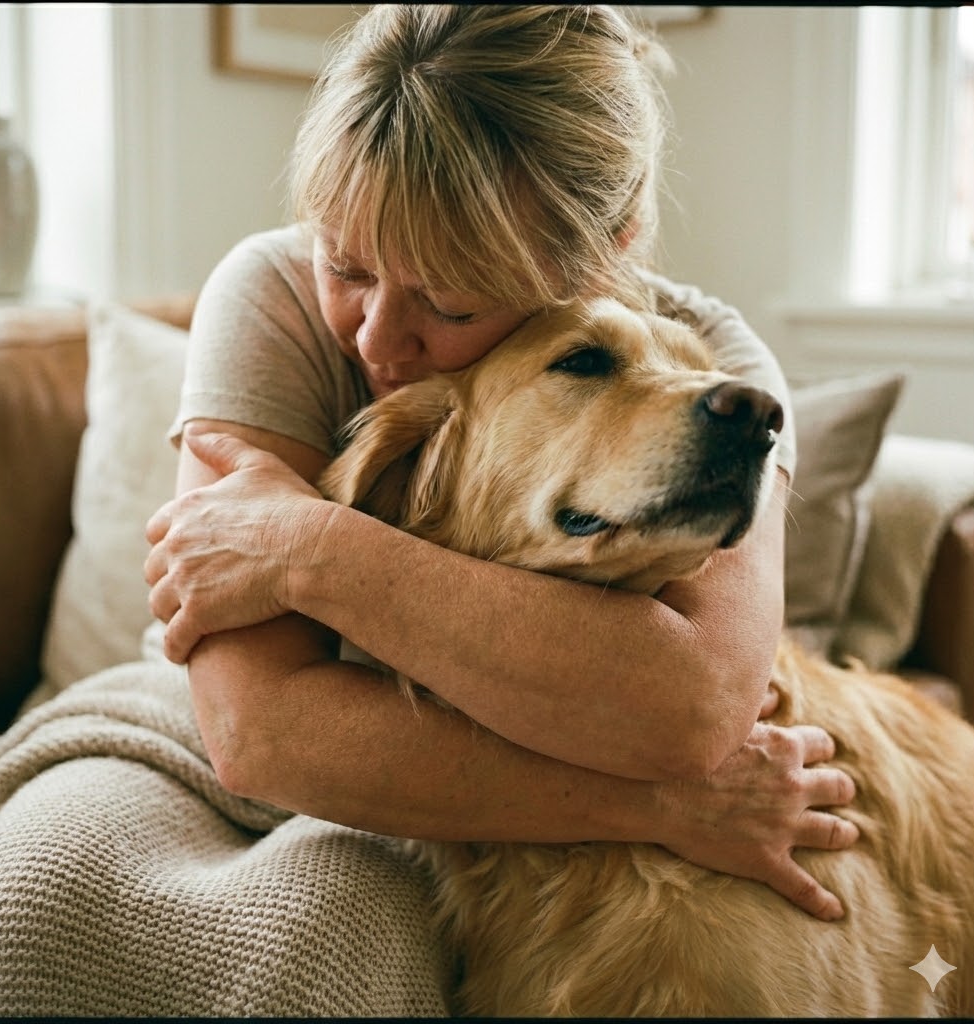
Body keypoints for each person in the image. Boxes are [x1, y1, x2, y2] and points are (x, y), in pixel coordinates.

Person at [142, 2, 859, 928]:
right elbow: (261, 729)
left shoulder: (713, 364)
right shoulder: (273, 295)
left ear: (600, 260)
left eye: (451, 296)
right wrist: (652, 806)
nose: (376, 339)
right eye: (347, 264)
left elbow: (694, 713)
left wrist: (305, 546)